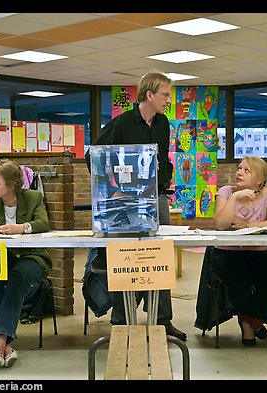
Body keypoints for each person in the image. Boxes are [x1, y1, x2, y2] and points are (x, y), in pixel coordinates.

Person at [84, 71, 186, 341]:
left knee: (160, 260)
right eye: (165, 95)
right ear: (149, 95)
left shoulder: (163, 123)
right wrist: (112, 188)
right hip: (126, 203)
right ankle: (121, 321)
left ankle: (163, 321)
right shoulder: (121, 123)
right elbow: (93, 156)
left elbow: (162, 158)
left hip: (158, 199)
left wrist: (164, 180)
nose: (168, 100)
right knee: (125, 260)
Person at [0, 159, 52, 368]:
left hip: (31, 256)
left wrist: (22, 227)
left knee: (18, 277)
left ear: (12, 185)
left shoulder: (33, 197)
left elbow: (43, 223)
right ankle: (4, 343)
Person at [208, 156, 267, 346]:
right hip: (227, 253)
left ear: (259, 179)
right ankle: (253, 326)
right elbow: (220, 224)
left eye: (246, 170)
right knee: (238, 282)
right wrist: (235, 198)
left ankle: (250, 321)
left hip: (258, 251)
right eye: (239, 168)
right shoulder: (226, 192)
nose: (239, 172)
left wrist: (248, 224)